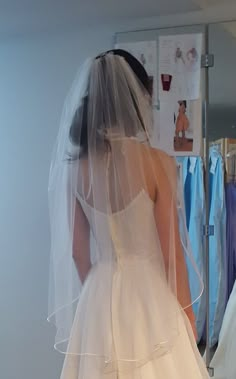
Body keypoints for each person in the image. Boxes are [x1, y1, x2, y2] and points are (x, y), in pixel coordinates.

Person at [48, 49, 209, 378]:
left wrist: (99, 294)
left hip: (98, 292)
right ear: (137, 96)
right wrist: (189, 317)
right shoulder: (157, 163)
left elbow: (79, 254)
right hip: (149, 294)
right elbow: (171, 254)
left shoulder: (75, 170)